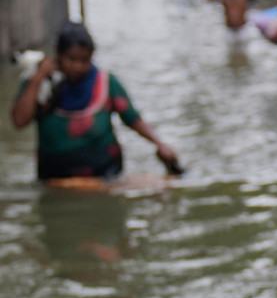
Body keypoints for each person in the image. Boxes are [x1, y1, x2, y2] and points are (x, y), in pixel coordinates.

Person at [10, 22, 181, 180]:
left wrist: (159, 144)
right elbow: (19, 121)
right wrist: (38, 77)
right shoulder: (40, 85)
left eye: (84, 60)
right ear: (58, 55)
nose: (78, 66)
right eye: (72, 59)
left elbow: (132, 118)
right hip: (54, 178)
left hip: (105, 174)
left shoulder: (106, 83)